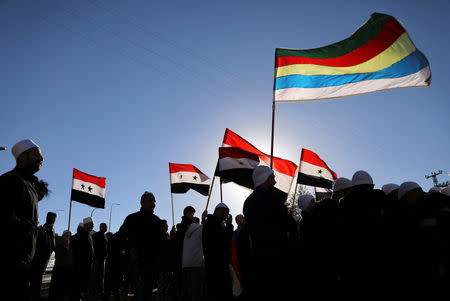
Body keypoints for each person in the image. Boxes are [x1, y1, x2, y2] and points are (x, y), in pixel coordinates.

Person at [243, 166, 297, 301]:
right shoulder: (273, 197)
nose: (275, 181)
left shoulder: (248, 202)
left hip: (259, 258)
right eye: (272, 177)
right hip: (278, 257)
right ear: (265, 179)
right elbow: (290, 225)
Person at [0, 139, 44, 300]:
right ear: (21, 158)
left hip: (26, 260)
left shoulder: (30, 185)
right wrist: (28, 226)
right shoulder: (9, 180)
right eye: (36, 155)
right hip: (10, 260)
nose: (41, 159)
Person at [118, 191, 166, 301]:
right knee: (139, 292)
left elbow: (162, 241)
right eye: (150, 201)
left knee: (148, 292)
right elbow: (120, 237)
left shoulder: (157, 221)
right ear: (142, 202)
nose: (153, 203)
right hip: (137, 262)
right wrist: (130, 249)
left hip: (152, 263)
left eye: (154, 201)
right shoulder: (132, 218)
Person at [202, 203, 234, 301]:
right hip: (217, 265)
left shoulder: (211, 223)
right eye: (226, 213)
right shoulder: (213, 224)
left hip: (215, 265)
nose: (227, 216)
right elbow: (226, 240)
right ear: (220, 211)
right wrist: (229, 225)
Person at [30, 211, 57, 301]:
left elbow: (52, 244)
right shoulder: (43, 228)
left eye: (55, 218)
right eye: (53, 218)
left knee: (39, 277)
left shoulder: (52, 229)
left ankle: (36, 294)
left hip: (46, 257)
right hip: (39, 257)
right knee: (36, 278)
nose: (54, 220)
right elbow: (41, 242)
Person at [182, 215, 206, 301]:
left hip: (185, 263)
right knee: (197, 292)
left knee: (188, 291)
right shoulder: (200, 228)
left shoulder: (185, 231)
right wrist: (204, 220)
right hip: (197, 262)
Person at [48, 230, 75, 301]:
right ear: (62, 237)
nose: (68, 238)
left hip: (68, 272)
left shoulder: (72, 248)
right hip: (59, 271)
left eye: (69, 236)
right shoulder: (59, 246)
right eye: (66, 236)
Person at [72, 217, 95, 299]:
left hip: (87, 267)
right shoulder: (80, 236)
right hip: (80, 267)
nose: (93, 226)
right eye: (91, 224)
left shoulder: (89, 235)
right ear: (85, 225)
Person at [93, 222, 108, 296]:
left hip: (102, 258)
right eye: (104, 227)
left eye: (106, 227)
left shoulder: (105, 236)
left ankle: (100, 290)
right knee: (95, 274)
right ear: (101, 227)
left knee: (101, 275)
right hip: (96, 258)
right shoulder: (96, 235)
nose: (106, 228)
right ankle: (94, 290)